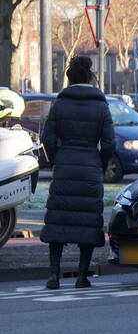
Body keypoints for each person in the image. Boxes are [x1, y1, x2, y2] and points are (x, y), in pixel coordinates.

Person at [39, 55, 115, 290]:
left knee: (59, 220)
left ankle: (54, 276)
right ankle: (82, 276)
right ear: (91, 78)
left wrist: (56, 159)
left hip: (65, 165)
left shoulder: (60, 104)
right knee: (88, 221)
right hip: (90, 166)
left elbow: (47, 138)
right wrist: (100, 164)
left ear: (69, 78)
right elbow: (109, 143)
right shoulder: (101, 105)